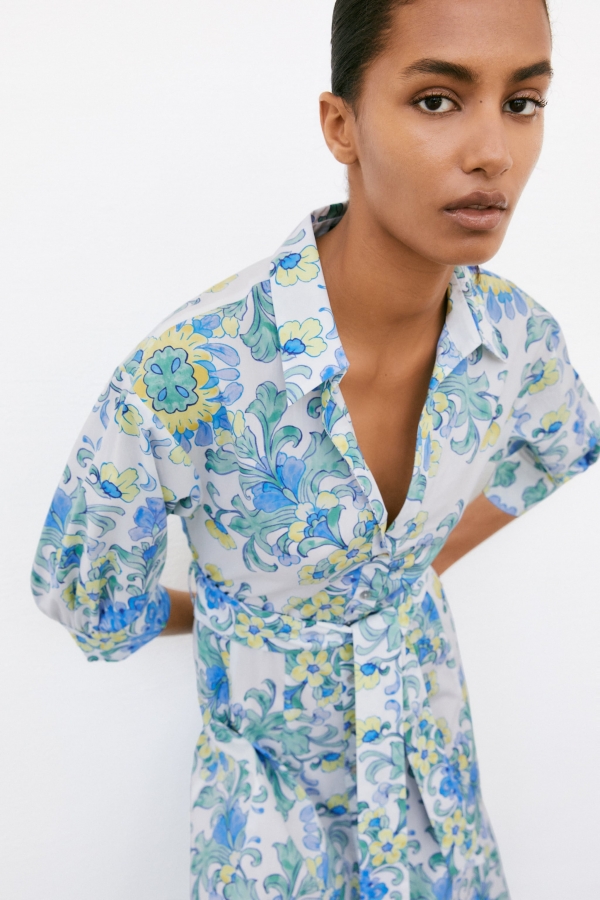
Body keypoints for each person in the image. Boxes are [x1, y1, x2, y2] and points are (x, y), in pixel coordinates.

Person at [32, 1, 599, 898]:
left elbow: (560, 446)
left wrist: (402, 571)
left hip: (437, 803)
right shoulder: (192, 373)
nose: (494, 151)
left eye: (522, 103)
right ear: (342, 125)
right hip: (271, 835)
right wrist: (233, 614)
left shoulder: (517, 337)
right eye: (438, 100)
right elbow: (85, 595)